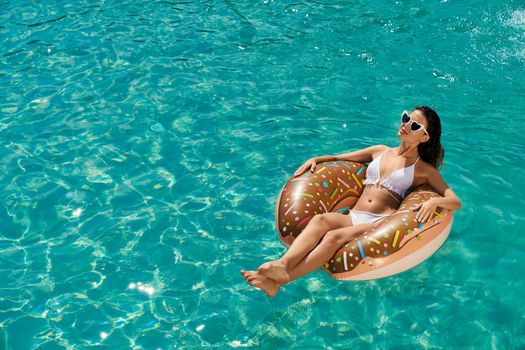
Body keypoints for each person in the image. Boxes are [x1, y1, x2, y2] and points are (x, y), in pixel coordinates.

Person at [241, 106, 462, 297]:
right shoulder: (380, 151)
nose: (405, 125)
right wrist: (316, 159)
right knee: (320, 220)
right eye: (406, 118)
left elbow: (454, 201)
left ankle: (282, 279)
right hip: (354, 215)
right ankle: (282, 266)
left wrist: (435, 203)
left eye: (414, 126)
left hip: (378, 222)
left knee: (333, 236)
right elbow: (341, 158)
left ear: (424, 138)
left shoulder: (423, 169)